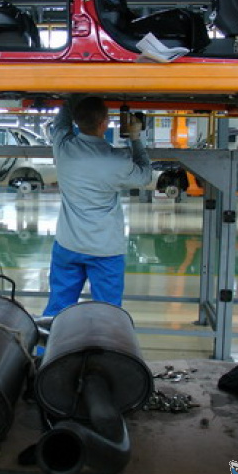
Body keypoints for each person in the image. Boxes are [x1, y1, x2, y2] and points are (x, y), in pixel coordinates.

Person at [43, 96, 152, 316]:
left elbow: (61, 121)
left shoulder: (63, 148)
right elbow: (145, 175)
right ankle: (103, 338)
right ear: (104, 124)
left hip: (68, 244)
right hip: (105, 249)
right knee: (107, 313)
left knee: (58, 308)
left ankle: (49, 337)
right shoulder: (118, 161)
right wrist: (135, 138)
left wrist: (75, 94)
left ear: (76, 121)